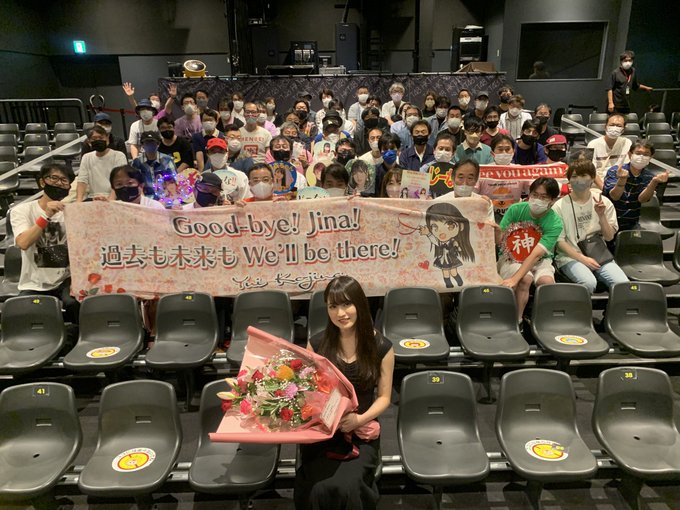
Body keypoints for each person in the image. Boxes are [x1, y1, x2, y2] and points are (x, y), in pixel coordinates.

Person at [295, 276, 394, 510]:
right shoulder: (317, 344)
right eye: (333, 306)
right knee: (318, 487)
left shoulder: (382, 347)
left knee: (347, 486)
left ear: (360, 304)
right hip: (322, 433)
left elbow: (384, 398)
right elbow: (307, 391)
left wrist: (358, 420)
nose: (340, 313)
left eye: (347, 304)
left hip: (360, 432)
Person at [12, 163, 79, 323]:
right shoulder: (22, 211)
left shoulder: (73, 212)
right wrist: (46, 216)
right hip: (34, 283)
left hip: (66, 280)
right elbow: (23, 243)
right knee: (22, 313)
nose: (59, 183)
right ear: (42, 182)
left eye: (64, 180)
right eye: (54, 178)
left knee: (77, 303)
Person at [552, 160, 627, 294]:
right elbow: (559, 241)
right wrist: (583, 259)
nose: (578, 180)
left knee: (622, 283)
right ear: (569, 180)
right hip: (569, 257)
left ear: (592, 178)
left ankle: (612, 309)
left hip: (598, 254)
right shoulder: (558, 206)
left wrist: (601, 215)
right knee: (588, 282)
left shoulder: (603, 201)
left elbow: (609, 237)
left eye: (583, 175)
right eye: (574, 176)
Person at [498, 177, 563, 324]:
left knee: (547, 283)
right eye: (535, 195)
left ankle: (541, 323)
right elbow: (499, 239)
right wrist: (496, 232)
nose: (537, 200)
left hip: (540, 260)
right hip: (511, 257)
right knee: (525, 278)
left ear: (553, 200)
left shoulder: (555, 223)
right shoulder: (515, 209)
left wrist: (514, 279)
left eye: (543, 197)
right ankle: (517, 321)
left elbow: (536, 255)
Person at [603, 140, 668, 231]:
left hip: (632, 222)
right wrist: (622, 179)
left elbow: (642, 199)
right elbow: (614, 196)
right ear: (630, 154)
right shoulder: (615, 171)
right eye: (638, 153)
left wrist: (654, 182)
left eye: (646, 154)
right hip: (609, 221)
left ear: (651, 157)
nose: (641, 157)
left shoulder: (649, 176)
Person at [478, 135, 529, 221]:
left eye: (507, 149)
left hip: (515, 216)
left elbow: (533, 189)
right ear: (492, 153)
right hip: (488, 216)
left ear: (513, 152)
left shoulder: (520, 170)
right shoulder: (482, 171)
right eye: (500, 149)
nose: (504, 153)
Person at [77, 126, 128, 201]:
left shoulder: (119, 156)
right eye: (94, 139)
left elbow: (120, 180)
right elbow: (82, 180)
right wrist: (78, 201)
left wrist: (110, 200)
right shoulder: (86, 157)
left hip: (116, 197)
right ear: (89, 142)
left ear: (107, 138)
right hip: (93, 197)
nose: (98, 140)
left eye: (101, 138)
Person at [587, 113, 632, 187]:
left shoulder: (627, 143)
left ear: (623, 130)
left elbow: (627, 167)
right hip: (598, 185)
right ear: (605, 127)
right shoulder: (593, 144)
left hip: (619, 184)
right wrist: (604, 189)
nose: (615, 128)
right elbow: (590, 171)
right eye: (612, 125)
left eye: (619, 126)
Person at [202, 138, 251, 204]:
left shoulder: (241, 177)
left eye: (221, 151)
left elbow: (248, 201)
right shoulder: (203, 178)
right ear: (208, 154)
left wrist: (234, 204)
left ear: (227, 153)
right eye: (213, 151)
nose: (217, 154)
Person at [131, 131, 177, 197]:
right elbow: (135, 184)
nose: (150, 145)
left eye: (152, 142)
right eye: (147, 143)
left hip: (166, 196)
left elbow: (174, 181)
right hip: (145, 197)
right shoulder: (137, 162)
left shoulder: (167, 160)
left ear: (158, 144)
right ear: (142, 145)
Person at [607, 50, 653, 114]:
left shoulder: (633, 71)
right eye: (625, 61)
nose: (628, 63)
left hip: (626, 104)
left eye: (630, 60)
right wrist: (610, 103)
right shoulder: (615, 73)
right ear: (621, 61)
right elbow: (609, 88)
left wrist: (646, 88)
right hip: (616, 104)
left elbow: (635, 85)